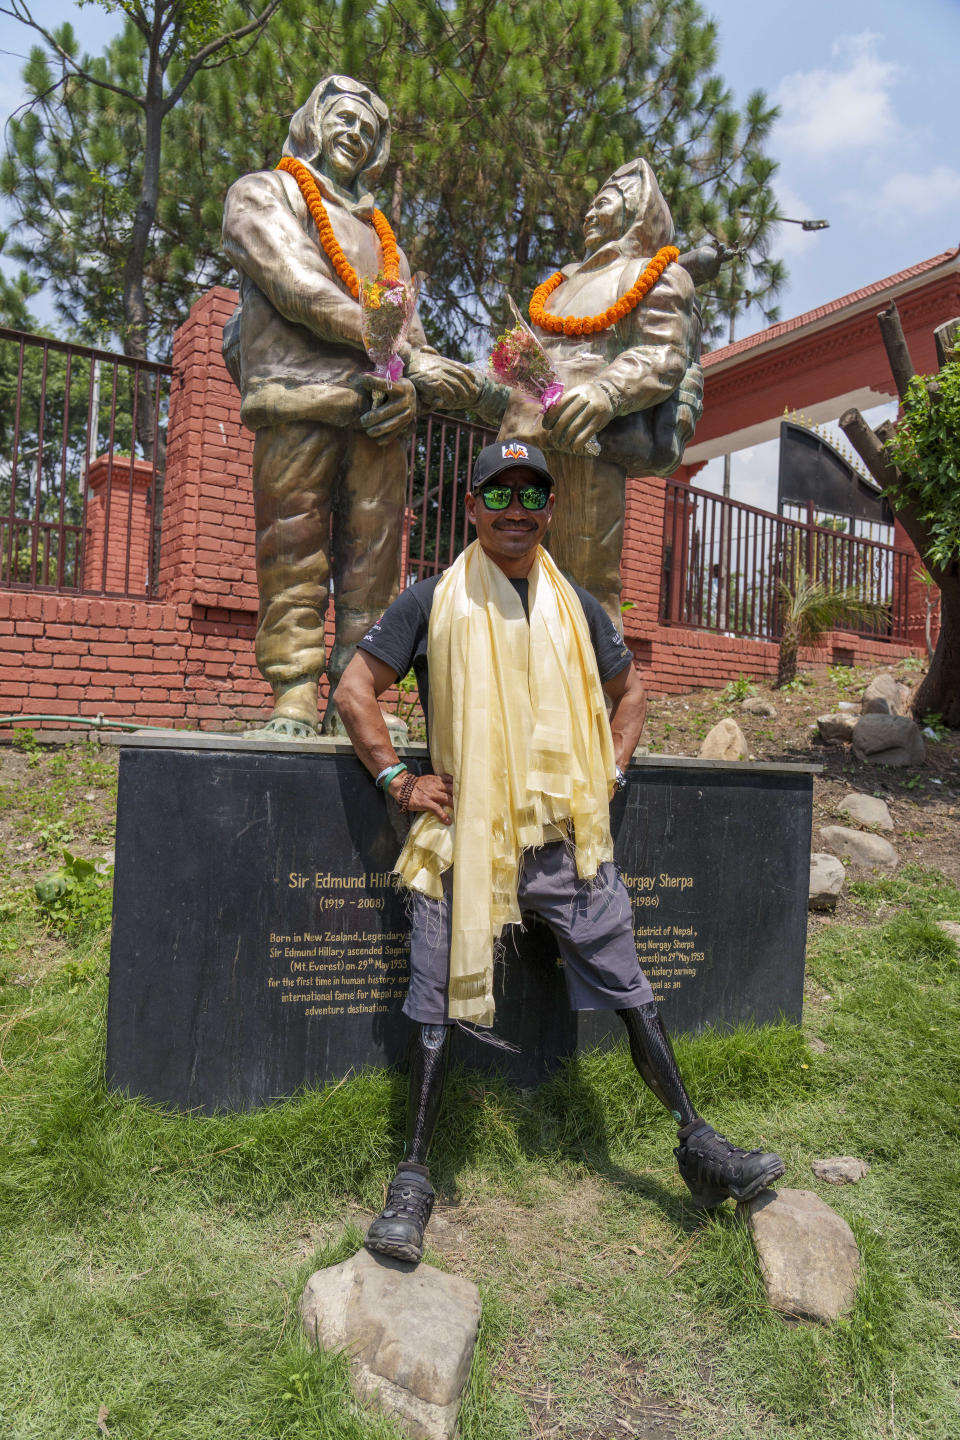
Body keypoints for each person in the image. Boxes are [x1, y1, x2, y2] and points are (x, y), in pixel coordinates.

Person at [334, 439, 784, 1264]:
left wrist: (606, 773)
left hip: (563, 840)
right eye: (497, 496)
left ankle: (699, 1146)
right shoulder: (433, 599)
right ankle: (413, 1180)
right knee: (434, 998)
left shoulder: (574, 604)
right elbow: (354, 686)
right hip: (465, 836)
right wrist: (400, 779)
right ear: (471, 508)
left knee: (630, 988)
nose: (515, 511)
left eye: (530, 495)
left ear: (549, 509)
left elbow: (631, 693)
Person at [222, 74, 476, 736]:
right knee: (292, 550)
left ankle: (354, 699)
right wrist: (382, 337)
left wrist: (414, 391)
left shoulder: (383, 235)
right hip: (299, 404)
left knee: (373, 571)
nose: (355, 133)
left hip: (377, 421)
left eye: (368, 129)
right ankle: (293, 695)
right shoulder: (265, 191)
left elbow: (412, 339)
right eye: (343, 117)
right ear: (313, 119)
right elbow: (294, 282)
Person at [475, 157, 706, 626]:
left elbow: (663, 354)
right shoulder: (557, 288)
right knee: (503, 587)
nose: (588, 214)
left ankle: (592, 696)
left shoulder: (654, 273)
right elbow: (518, 370)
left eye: (603, 202)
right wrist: (469, 384)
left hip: (587, 445)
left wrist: (606, 393)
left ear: (637, 210)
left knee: (583, 591)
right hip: (518, 449)